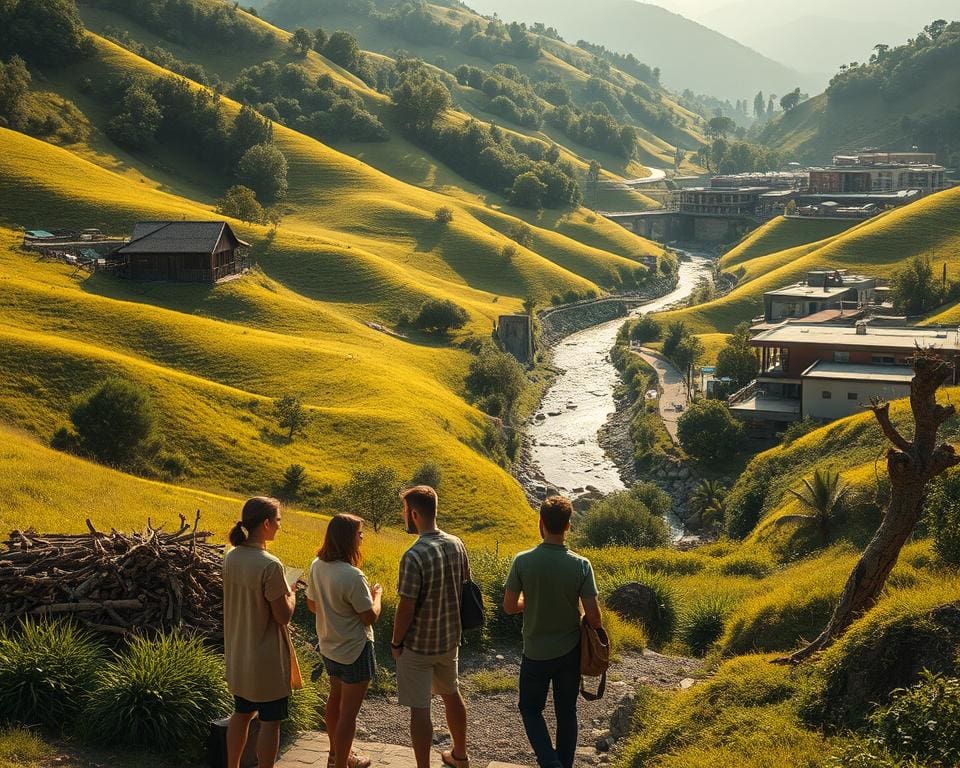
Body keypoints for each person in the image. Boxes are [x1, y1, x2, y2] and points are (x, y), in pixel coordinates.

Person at [503, 495, 602, 768]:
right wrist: (579, 613)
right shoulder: (581, 565)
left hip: (535, 652)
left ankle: (549, 762)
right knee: (566, 713)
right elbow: (594, 619)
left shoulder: (522, 561)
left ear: (541, 523)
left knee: (530, 709)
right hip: (569, 652)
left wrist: (531, 600)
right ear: (568, 525)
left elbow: (510, 606)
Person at [391, 485, 471, 768]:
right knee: (452, 693)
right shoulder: (457, 543)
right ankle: (460, 755)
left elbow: (407, 607)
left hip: (418, 644)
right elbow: (463, 587)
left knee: (420, 708)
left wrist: (396, 642)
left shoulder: (413, 556)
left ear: (413, 514)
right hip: (449, 639)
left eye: (404, 511)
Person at [223, 497, 298, 768]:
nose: (279, 526)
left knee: (241, 714)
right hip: (266, 660)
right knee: (270, 722)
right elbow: (283, 615)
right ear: (266, 524)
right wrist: (292, 594)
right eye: (278, 520)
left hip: (239, 652)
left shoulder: (231, 556)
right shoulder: (270, 565)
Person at [306, 514, 383, 768]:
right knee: (349, 713)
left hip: (329, 645)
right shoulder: (353, 575)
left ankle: (334, 755)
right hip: (355, 649)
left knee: (335, 700)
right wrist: (377, 596)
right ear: (348, 538)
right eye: (359, 533)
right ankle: (342, 763)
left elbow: (312, 605)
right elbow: (369, 617)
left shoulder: (317, 565)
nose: (362, 537)